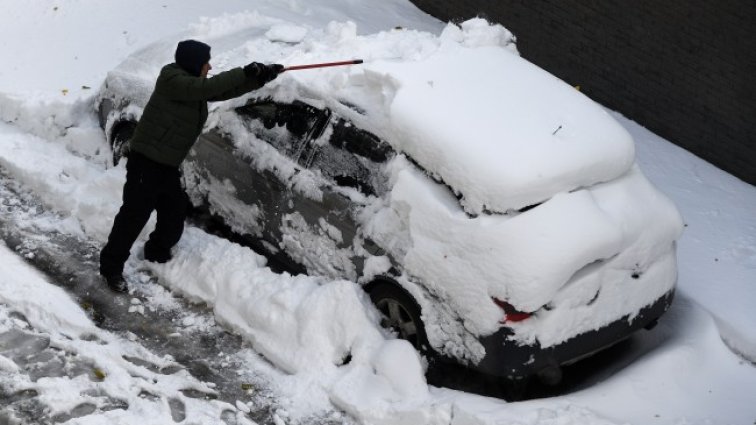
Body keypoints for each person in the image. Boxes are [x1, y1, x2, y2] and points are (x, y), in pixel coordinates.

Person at [99, 39, 283, 292]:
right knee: (133, 217)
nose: (209, 66)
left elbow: (221, 90)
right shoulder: (172, 80)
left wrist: (261, 78)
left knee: (174, 214)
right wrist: (244, 71)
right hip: (146, 163)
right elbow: (206, 87)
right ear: (193, 63)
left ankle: (156, 251)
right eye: (205, 62)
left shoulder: (194, 88)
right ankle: (110, 268)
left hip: (166, 166)